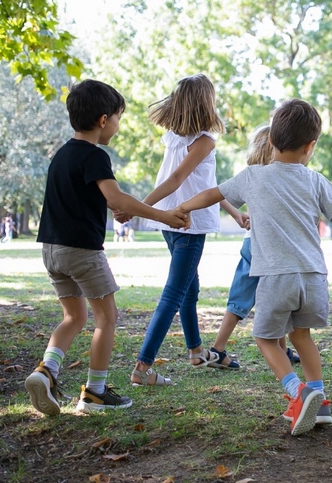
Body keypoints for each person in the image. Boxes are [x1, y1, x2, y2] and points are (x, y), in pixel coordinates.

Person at [175, 99, 332, 436]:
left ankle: (298, 392)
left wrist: (184, 207)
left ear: (271, 141)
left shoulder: (252, 176)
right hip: (314, 277)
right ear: (311, 146)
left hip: (276, 277)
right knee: (301, 336)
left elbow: (213, 194)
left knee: (264, 337)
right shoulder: (315, 180)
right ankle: (319, 401)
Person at [25, 79, 187, 416]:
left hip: (51, 250)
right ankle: (95, 392)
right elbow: (115, 198)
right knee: (106, 318)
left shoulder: (61, 155)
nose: (117, 125)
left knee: (73, 316)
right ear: (103, 120)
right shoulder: (95, 156)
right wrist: (164, 215)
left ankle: (47, 371)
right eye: (117, 118)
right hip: (82, 252)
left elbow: (95, 200)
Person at [110, 75, 248, 387]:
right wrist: (135, 206)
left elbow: (207, 184)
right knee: (174, 293)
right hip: (188, 222)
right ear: (206, 103)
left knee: (189, 288)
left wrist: (235, 212)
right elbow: (175, 180)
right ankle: (142, 367)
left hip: (169, 221)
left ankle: (197, 352)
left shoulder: (174, 137)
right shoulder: (204, 141)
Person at [208, 125, 301, 371]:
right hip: (270, 246)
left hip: (251, 242)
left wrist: (239, 214)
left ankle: (219, 348)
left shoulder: (251, 173)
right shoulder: (280, 174)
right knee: (277, 294)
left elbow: (220, 193)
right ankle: (276, 348)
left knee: (243, 296)